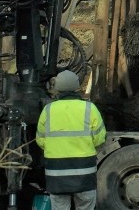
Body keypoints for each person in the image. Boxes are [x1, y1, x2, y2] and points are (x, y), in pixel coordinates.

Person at [36, 70, 106, 210]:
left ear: (57, 88)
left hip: (56, 174)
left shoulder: (48, 110)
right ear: (77, 87)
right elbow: (99, 139)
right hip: (84, 173)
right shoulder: (89, 108)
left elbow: (40, 140)